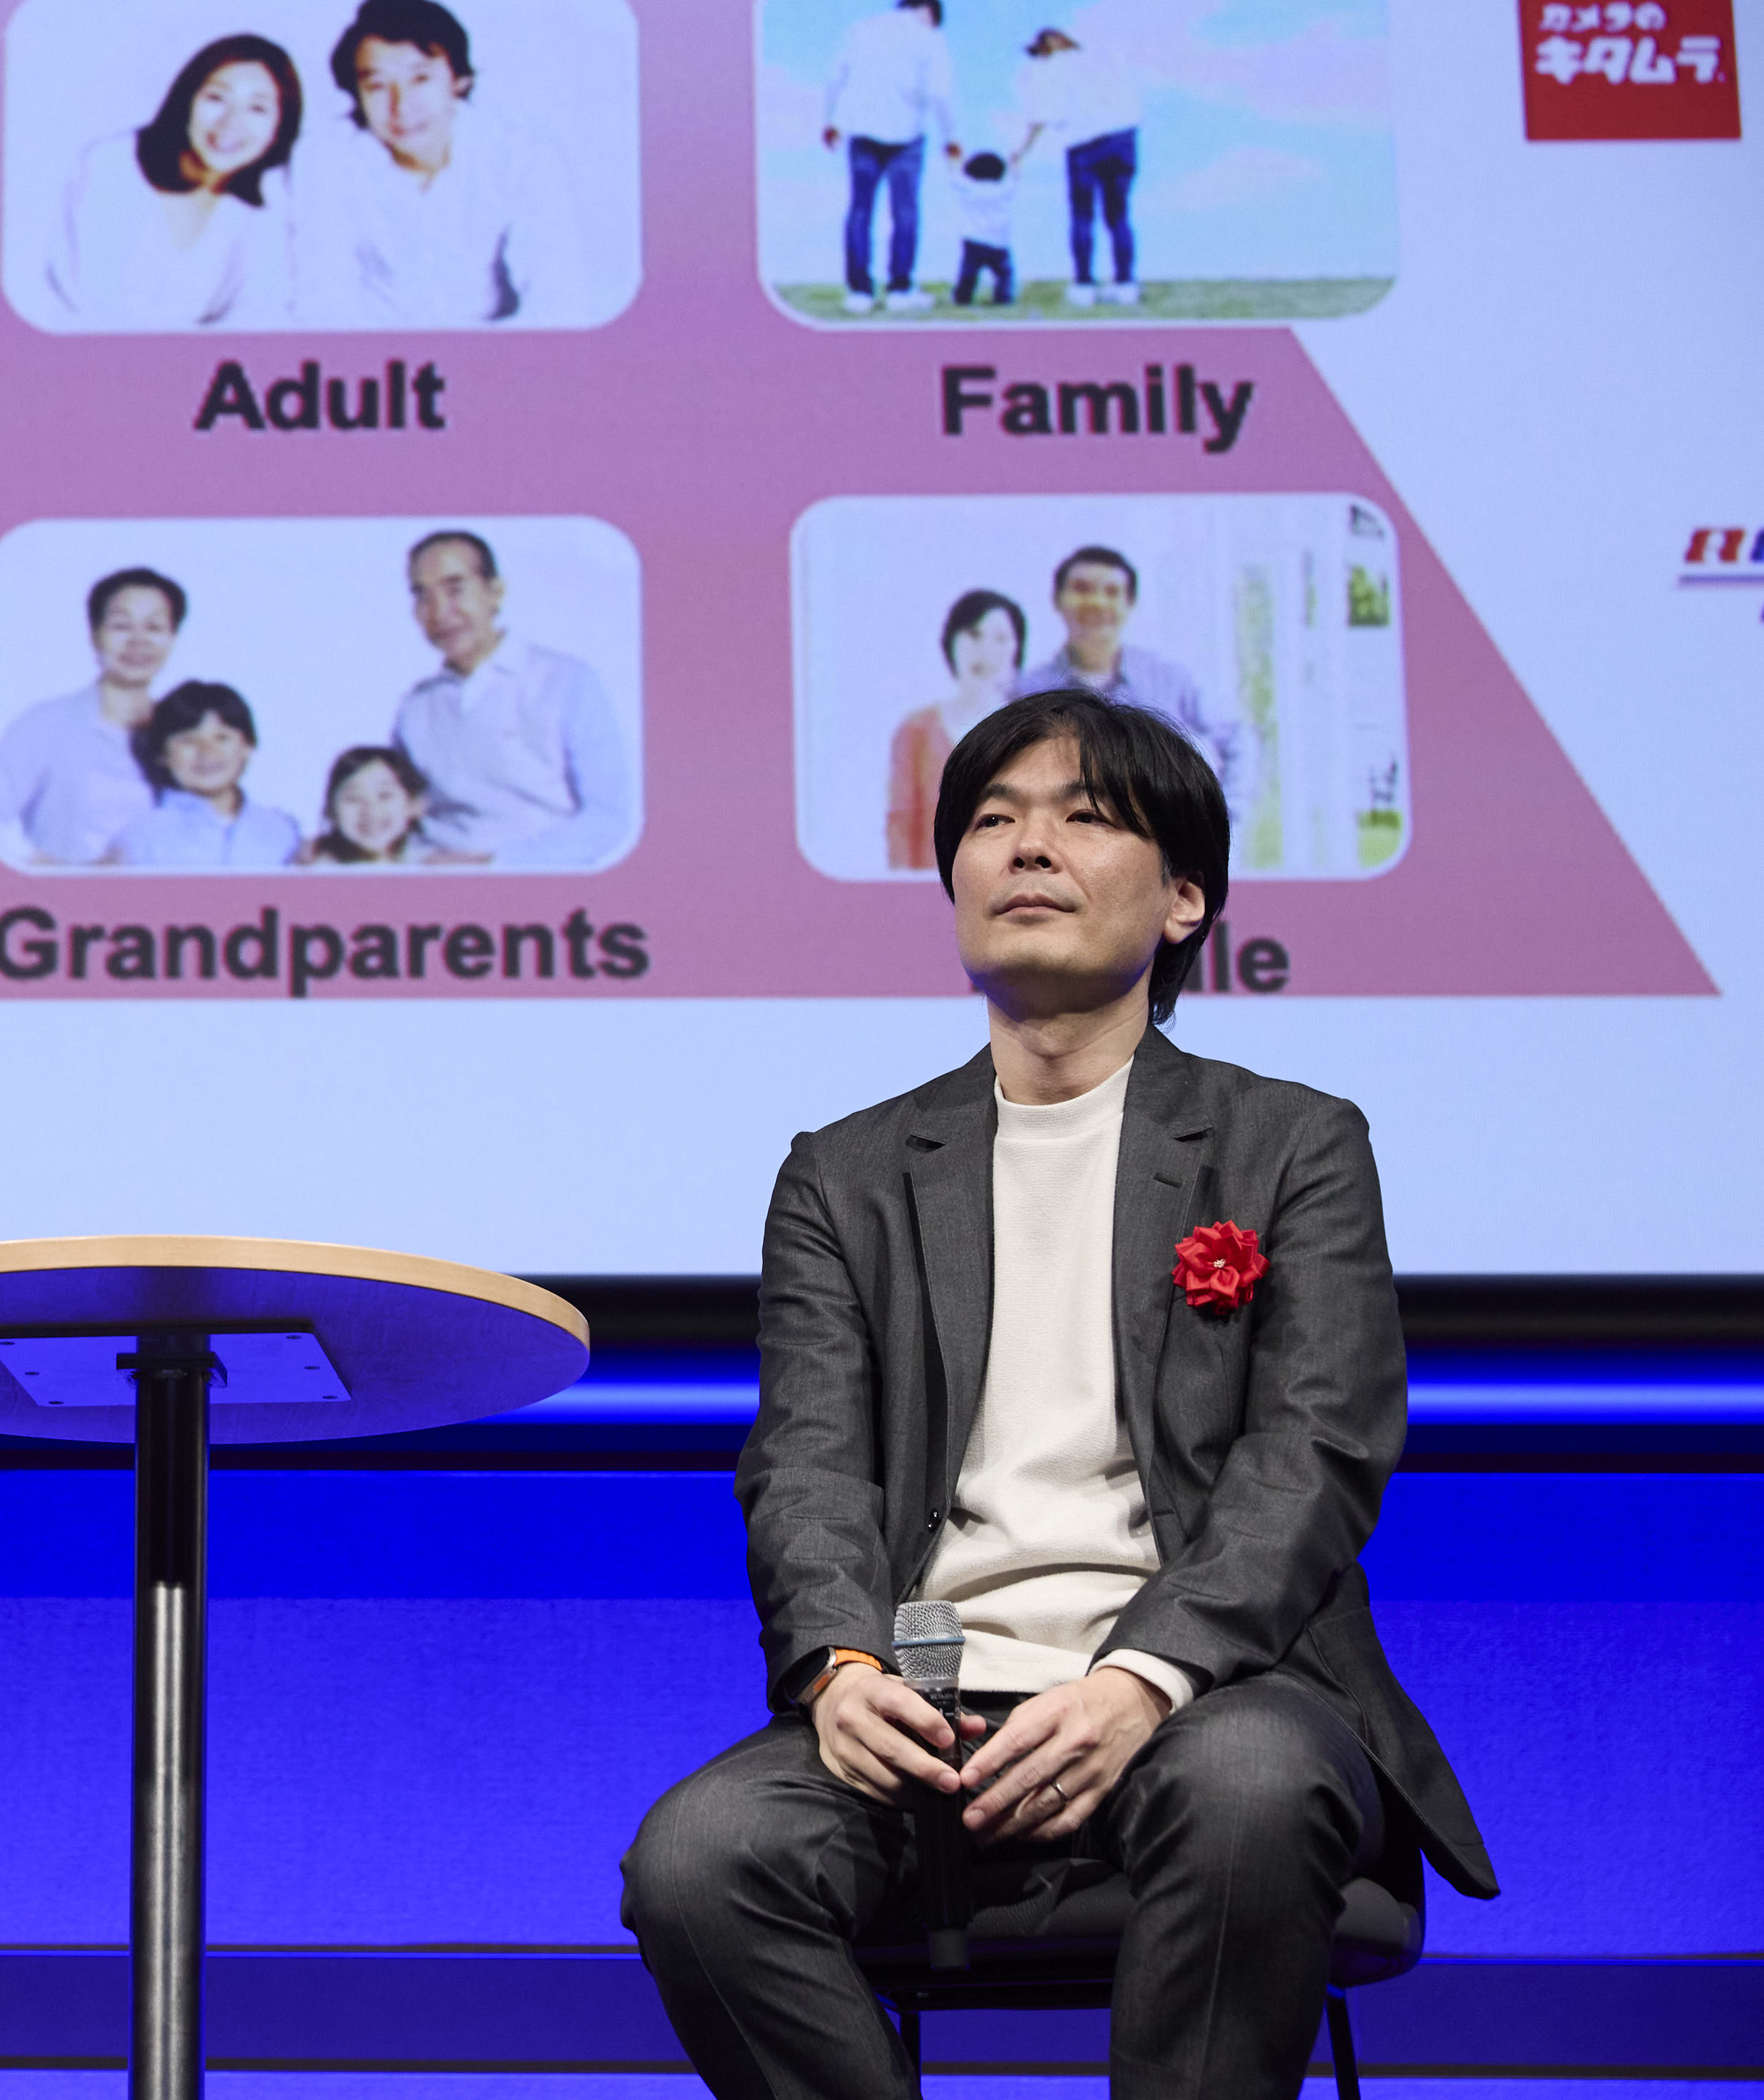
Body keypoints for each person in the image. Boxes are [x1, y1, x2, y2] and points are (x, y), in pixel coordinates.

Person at [618, 688, 1495, 2099]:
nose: (1027, 846)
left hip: (1217, 1693)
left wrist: (1141, 1677)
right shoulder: (846, 1174)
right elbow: (808, 1463)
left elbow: (1318, 1449)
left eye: (1084, 818)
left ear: (1186, 900)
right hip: (933, 1710)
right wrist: (840, 1666)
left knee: (1247, 1789)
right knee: (701, 1859)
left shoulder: (1291, 1145)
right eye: (991, 820)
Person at [293, 0, 584, 325]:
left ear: (459, 80)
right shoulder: (329, 159)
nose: (402, 106)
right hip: (379, 353)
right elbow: (325, 305)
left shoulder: (521, 156)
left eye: (420, 78)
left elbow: (558, 301)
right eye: (378, 86)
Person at [388, 530, 635, 868]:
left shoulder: (566, 680)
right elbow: (399, 819)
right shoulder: (416, 707)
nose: (439, 612)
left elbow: (608, 817)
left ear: (495, 591)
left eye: (455, 589)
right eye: (422, 596)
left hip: (542, 883)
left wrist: (498, 864)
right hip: (436, 884)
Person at [47, 35, 301, 328]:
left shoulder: (264, 205)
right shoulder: (112, 163)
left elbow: (260, 309)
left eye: (257, 108)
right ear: (187, 98)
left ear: (279, 128)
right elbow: (97, 301)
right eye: (217, 98)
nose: (231, 122)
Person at [1013, 546, 1252, 817]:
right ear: (1058, 600)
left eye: (1111, 592)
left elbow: (1239, 740)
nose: (1097, 602)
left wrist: (1227, 820)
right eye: (1082, 589)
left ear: (1130, 604)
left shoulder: (1169, 681)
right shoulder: (1027, 692)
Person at [0, 566, 184, 866]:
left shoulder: (185, 735)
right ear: (95, 636)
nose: (138, 640)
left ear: (172, 639)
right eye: (121, 626)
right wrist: (41, 865)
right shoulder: (44, 725)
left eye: (154, 628)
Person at [822, 0, 961, 315]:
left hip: (862, 130)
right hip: (908, 134)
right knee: (905, 212)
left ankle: (859, 292)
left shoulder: (861, 29)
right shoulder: (931, 37)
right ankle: (900, 289)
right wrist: (951, 136)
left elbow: (835, 77)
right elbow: (940, 92)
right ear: (930, 13)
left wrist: (831, 121)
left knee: (860, 210)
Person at [886, 588, 1024, 869]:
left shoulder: (1036, 731)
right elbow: (901, 826)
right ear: (951, 642)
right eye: (974, 635)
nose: (986, 651)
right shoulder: (917, 730)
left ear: (1017, 649)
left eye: (1000, 638)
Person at [103, 680, 302, 868]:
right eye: (188, 741)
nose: (207, 751)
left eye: (222, 738)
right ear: (162, 755)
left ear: (248, 746)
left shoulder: (282, 833)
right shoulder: (139, 840)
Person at [1013, 27, 1143, 306]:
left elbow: (1040, 117)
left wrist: (1021, 151)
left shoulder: (1047, 70)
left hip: (1083, 145)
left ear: (1046, 45)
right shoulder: (1099, 59)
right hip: (1123, 139)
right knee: (1118, 215)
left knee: (1083, 215)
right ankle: (1125, 285)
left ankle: (1084, 286)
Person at [295, 743, 476, 866]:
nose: (371, 810)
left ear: (413, 805)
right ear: (331, 810)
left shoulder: (434, 865)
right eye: (353, 799)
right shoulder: (314, 867)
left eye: (384, 796)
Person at [949, 148, 1017, 307]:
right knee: (1003, 274)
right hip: (999, 242)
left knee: (968, 274)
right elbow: (1015, 176)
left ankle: (963, 298)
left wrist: (954, 156)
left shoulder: (969, 188)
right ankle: (1003, 298)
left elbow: (954, 176)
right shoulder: (1004, 190)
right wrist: (1015, 160)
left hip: (973, 240)